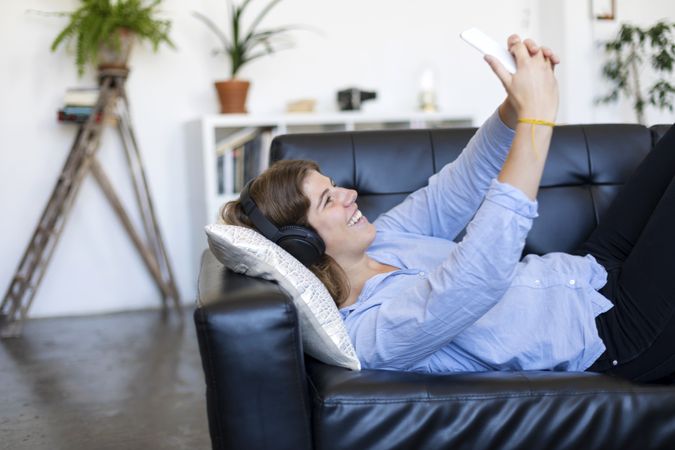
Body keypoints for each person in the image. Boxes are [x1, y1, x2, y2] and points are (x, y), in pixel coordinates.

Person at [222, 34, 675, 383]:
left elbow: (457, 187)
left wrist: (515, 107)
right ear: (303, 245)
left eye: (335, 186)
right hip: (614, 330)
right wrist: (538, 119)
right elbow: (478, 277)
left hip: (590, 271)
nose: (349, 196)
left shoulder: (382, 239)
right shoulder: (372, 333)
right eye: (328, 200)